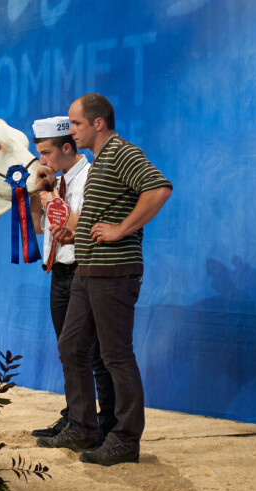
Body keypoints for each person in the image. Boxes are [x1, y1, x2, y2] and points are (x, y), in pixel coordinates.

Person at [35, 94, 172, 466]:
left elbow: (159, 188)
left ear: (98, 123)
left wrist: (121, 229)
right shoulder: (100, 161)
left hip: (114, 272)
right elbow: (94, 220)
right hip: (88, 269)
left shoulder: (121, 152)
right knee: (71, 346)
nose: (72, 131)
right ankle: (82, 426)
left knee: (115, 355)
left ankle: (126, 439)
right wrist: (73, 231)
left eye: (76, 124)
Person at [28, 116, 116, 443]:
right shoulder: (55, 181)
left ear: (67, 148)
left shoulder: (91, 177)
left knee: (96, 353)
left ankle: (107, 421)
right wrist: (35, 193)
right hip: (59, 274)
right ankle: (76, 417)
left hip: (85, 270)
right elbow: (39, 228)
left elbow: (85, 227)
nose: (42, 160)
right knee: (69, 352)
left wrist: (54, 200)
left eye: (46, 153)